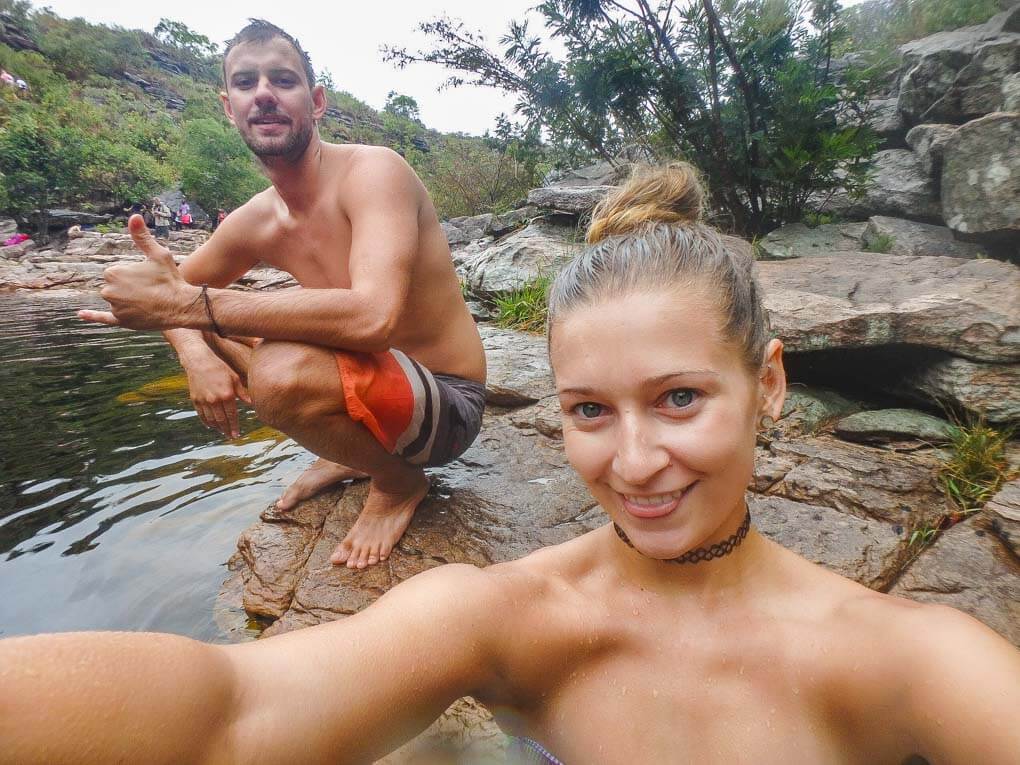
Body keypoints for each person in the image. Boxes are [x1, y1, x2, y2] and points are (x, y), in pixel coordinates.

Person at [8, 164, 1019, 763]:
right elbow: (231, 715)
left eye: (679, 398)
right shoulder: (510, 619)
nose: (634, 463)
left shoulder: (912, 661)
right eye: (587, 409)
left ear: (768, 385)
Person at [77, 20, 486, 570]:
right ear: (229, 107)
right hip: (375, 389)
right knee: (219, 328)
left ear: (316, 101)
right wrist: (194, 352)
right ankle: (351, 453)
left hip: (447, 401)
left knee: (277, 370)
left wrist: (188, 310)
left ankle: (396, 481)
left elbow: (373, 319)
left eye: (283, 80)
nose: (264, 93)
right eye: (246, 83)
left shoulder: (374, 172)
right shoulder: (256, 220)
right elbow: (170, 292)